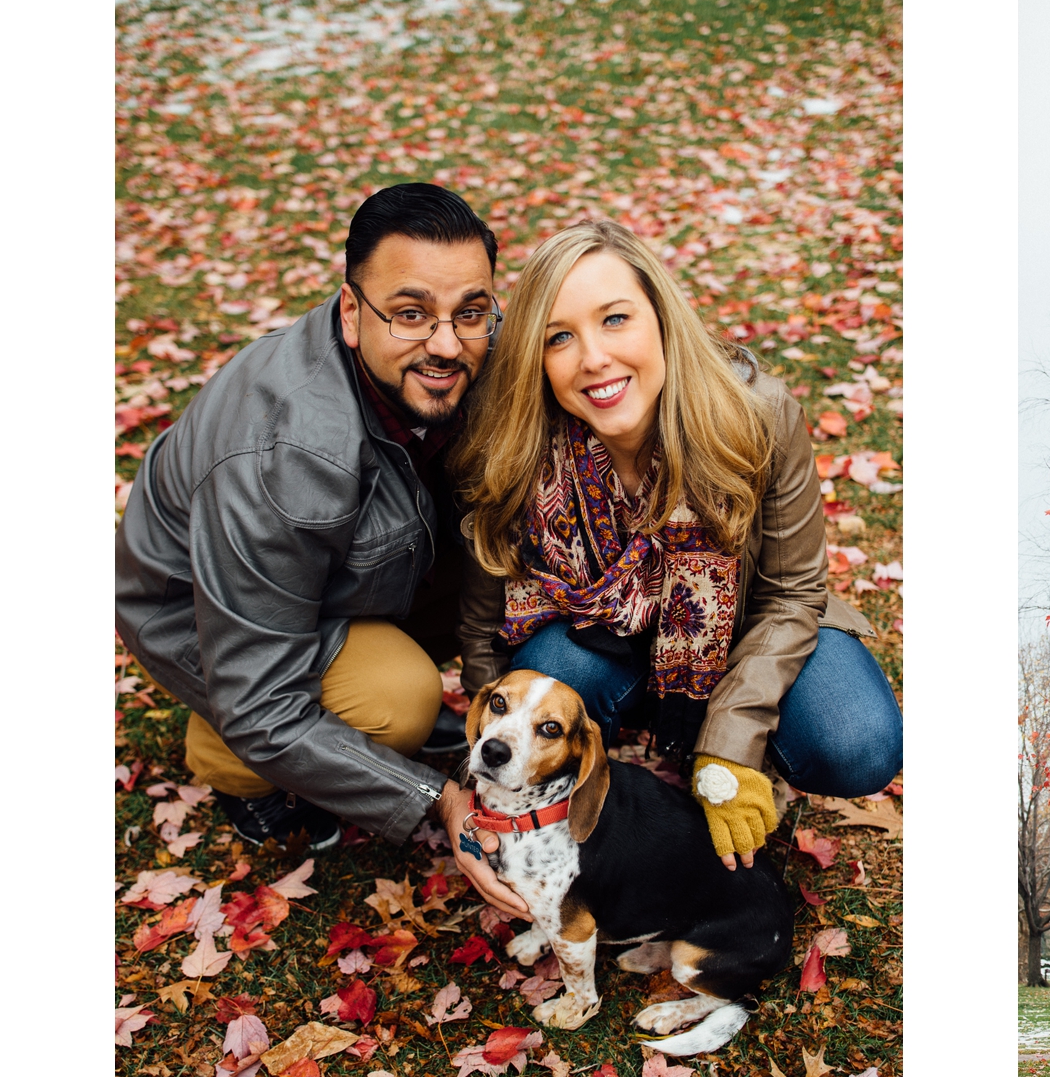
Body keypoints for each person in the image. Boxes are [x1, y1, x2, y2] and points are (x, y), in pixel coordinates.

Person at [448, 219, 901, 911]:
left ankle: (716, 746)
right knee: (548, 671)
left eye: (616, 319)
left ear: (660, 317)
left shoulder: (757, 413)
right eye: (559, 337)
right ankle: (629, 755)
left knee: (856, 740)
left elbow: (792, 592)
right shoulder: (518, 441)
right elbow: (483, 625)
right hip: (604, 644)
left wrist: (729, 740)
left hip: (748, 632)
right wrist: (489, 762)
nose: (594, 358)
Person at [116, 183, 501, 851]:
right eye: (409, 313)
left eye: (470, 311)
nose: (446, 344)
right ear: (351, 312)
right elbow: (261, 702)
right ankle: (235, 768)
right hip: (199, 614)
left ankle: (346, 693)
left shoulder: (471, 346)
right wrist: (433, 800)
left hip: (354, 565)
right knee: (397, 700)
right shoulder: (281, 456)